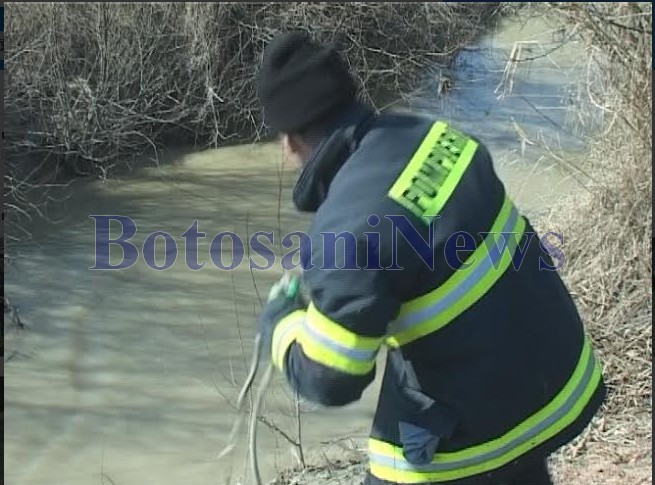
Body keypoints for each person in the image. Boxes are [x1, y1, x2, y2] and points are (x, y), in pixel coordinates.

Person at [254, 31, 606, 485]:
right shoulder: (434, 136)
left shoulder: (345, 232)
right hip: (557, 380)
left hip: (485, 428)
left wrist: (283, 323)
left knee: (396, 461)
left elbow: (330, 378)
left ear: (289, 140)